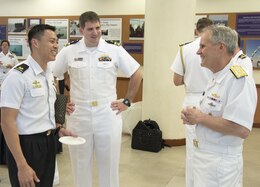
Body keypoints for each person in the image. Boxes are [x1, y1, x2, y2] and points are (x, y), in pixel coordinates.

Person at [52, 11, 142, 187]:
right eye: (90, 29)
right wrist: (60, 105)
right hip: (79, 114)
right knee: (79, 164)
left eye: (98, 28)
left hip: (107, 113)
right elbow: (53, 75)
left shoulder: (114, 49)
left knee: (108, 164)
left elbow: (136, 73)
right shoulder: (69, 51)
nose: (95, 32)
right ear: (81, 30)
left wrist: (127, 101)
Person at [181, 25, 257, 187]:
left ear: (220, 47)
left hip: (220, 165)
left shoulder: (238, 79)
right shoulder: (217, 76)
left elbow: (241, 129)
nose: (198, 51)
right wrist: (195, 117)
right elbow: (213, 114)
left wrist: (200, 118)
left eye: (203, 46)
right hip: (205, 158)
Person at [0, 24, 74, 187]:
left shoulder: (48, 74)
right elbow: (6, 122)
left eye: (57, 41)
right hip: (26, 146)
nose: (56, 46)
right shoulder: (18, 76)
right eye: (52, 41)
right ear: (35, 43)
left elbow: (42, 110)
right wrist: (21, 164)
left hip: (48, 142)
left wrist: (58, 129)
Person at [170, 17, 213, 187]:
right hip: (213, 99)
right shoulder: (217, 48)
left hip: (192, 100)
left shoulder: (185, 49)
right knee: (210, 148)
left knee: (192, 150)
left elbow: (176, 80)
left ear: (196, 30)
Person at [0, 40, 19, 164]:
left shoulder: (13, 56)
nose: (5, 46)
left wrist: (10, 66)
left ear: (9, 46)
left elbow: (18, 67)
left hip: (9, 81)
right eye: (3, 45)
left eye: (6, 45)